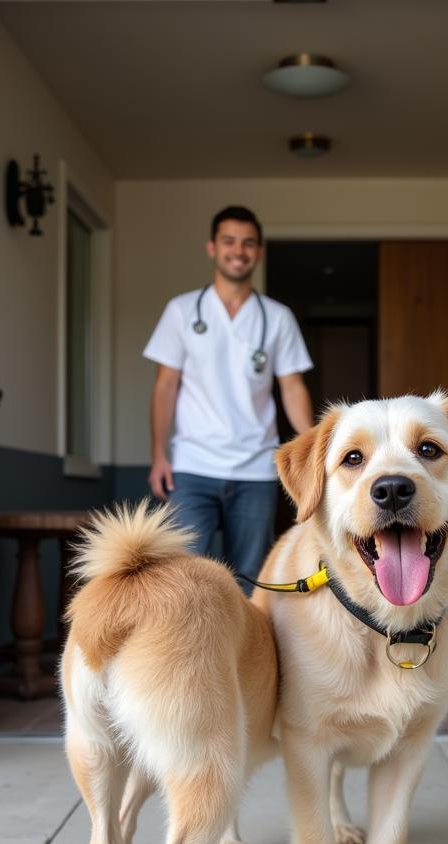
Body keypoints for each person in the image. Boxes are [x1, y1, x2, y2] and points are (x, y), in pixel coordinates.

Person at [144, 205, 314, 587]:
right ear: (212, 248)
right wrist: (159, 455)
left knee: (251, 577)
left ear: (260, 252)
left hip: (256, 466)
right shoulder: (182, 311)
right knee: (183, 578)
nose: (239, 251)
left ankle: (246, 650)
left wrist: (311, 448)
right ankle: (187, 650)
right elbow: (165, 385)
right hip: (192, 464)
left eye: (248, 243)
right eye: (229, 241)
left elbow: (292, 387)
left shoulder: (277, 317)